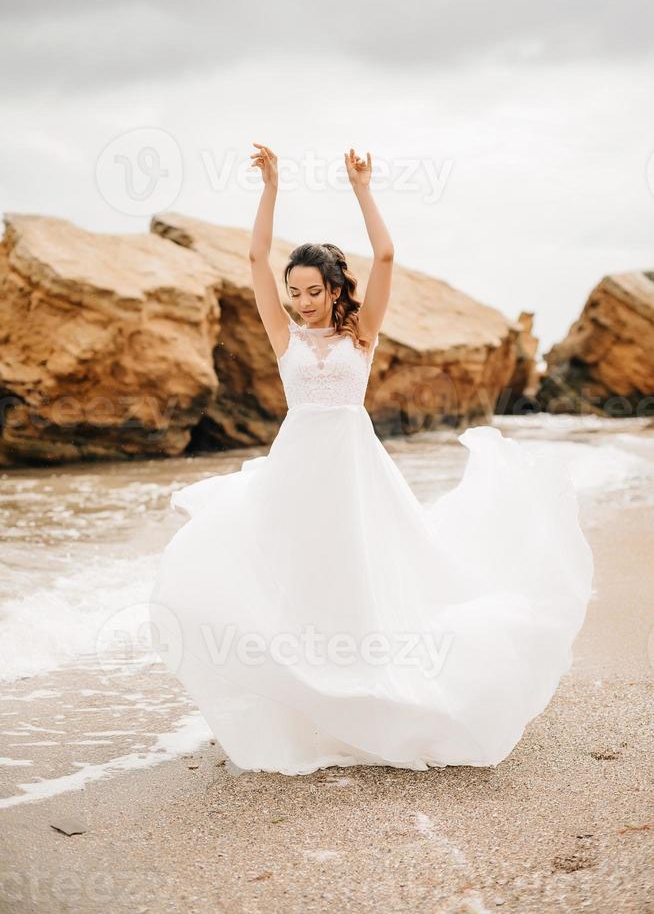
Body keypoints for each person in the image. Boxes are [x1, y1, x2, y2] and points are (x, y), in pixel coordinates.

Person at [149, 144, 595, 776]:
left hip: (354, 467)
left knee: (357, 571)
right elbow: (254, 257)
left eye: (312, 290)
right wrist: (269, 185)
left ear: (335, 290)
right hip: (297, 466)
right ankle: (303, 702)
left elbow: (386, 256)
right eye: (294, 291)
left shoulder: (362, 334)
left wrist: (362, 188)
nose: (302, 300)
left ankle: (367, 696)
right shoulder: (285, 336)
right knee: (296, 576)